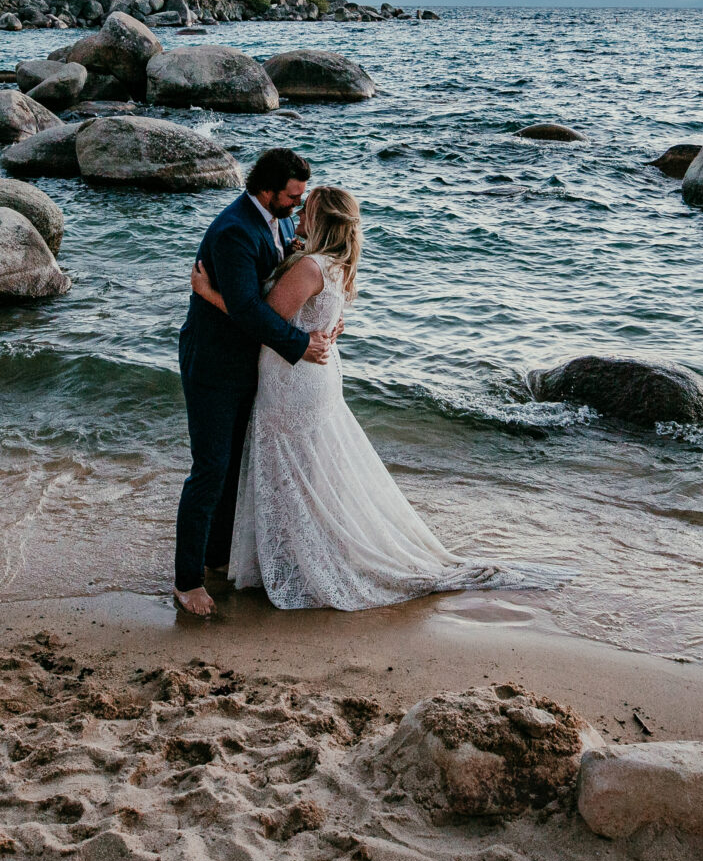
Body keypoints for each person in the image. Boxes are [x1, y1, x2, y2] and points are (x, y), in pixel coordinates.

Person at [190, 186, 572, 612]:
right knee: (305, 475)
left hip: (292, 383)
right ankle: (292, 556)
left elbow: (259, 321)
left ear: (321, 221)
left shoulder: (310, 268)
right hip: (316, 378)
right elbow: (321, 317)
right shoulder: (337, 265)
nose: (296, 217)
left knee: (288, 476)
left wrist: (209, 295)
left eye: (306, 211)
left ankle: (298, 564)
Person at [173, 147, 335, 617]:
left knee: (235, 467)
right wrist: (299, 344)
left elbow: (290, 280)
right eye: (292, 195)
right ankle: (187, 581)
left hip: (252, 365)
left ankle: (217, 559)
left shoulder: (280, 219)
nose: (298, 205)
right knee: (210, 469)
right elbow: (246, 310)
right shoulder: (234, 231)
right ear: (267, 190)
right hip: (215, 364)